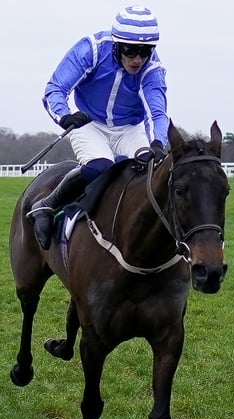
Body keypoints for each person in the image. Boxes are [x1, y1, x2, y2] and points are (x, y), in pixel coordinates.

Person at [28, 5, 168, 250]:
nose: (138, 59)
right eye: (131, 50)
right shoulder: (91, 49)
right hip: (89, 123)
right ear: (116, 44)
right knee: (100, 166)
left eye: (145, 51)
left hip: (130, 128)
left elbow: (157, 113)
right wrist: (65, 116)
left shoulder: (152, 68)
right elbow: (55, 89)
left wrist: (158, 142)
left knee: (149, 167)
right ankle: (47, 204)